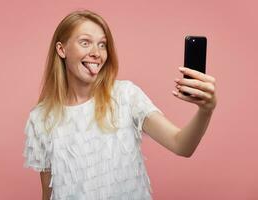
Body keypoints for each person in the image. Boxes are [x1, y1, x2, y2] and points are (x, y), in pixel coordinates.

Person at [23, 10, 217, 200]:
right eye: (85, 42)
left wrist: (206, 110)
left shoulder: (126, 96)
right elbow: (48, 194)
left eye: (102, 44)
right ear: (61, 49)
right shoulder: (41, 118)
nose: (96, 53)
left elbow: (181, 145)